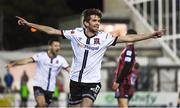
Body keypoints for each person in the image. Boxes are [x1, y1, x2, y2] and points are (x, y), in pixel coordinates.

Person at [15, 8, 165, 107]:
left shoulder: (104, 37)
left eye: (99, 21)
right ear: (86, 23)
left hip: (92, 82)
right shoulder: (75, 33)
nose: (97, 23)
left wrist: (151, 34)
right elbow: (51, 31)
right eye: (94, 20)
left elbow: (129, 37)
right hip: (75, 81)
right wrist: (29, 23)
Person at [7, 39, 70, 107]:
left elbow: (69, 69)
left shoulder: (61, 59)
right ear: (50, 46)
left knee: (41, 106)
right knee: (42, 105)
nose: (58, 48)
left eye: (59, 46)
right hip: (39, 86)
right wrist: (14, 63)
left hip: (50, 89)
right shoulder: (41, 56)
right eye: (55, 46)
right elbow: (27, 60)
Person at [112, 29, 140, 108]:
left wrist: (118, 81)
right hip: (123, 82)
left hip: (123, 82)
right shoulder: (128, 49)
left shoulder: (129, 50)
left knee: (123, 105)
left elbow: (127, 66)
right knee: (121, 105)